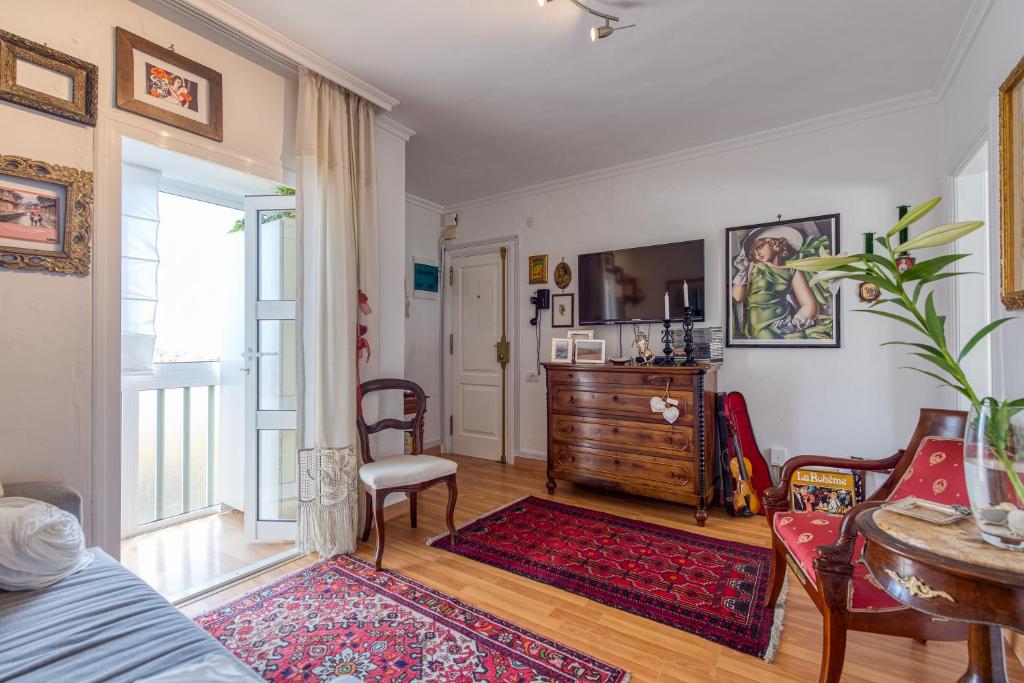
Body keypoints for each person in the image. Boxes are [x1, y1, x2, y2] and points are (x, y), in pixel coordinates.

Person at [731, 231, 835, 341]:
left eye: (760, 246)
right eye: (753, 250)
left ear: (774, 243)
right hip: (758, 328)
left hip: (783, 326)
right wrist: (742, 270)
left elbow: (809, 305)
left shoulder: (792, 270)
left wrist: (793, 325)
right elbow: (737, 297)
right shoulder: (754, 266)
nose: (756, 253)